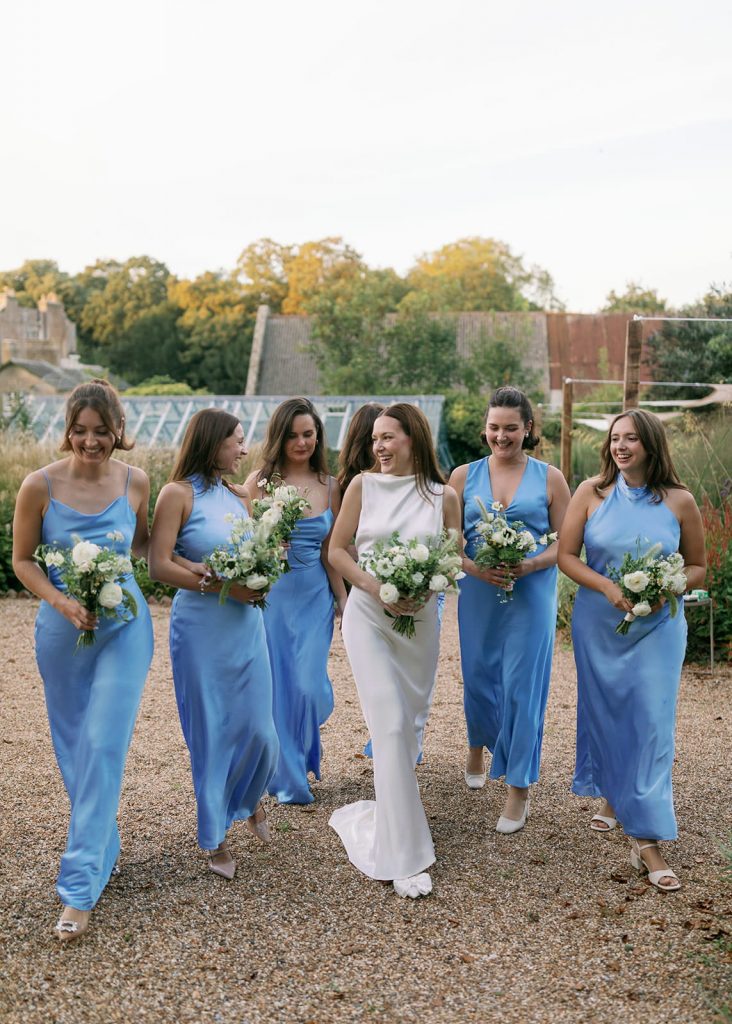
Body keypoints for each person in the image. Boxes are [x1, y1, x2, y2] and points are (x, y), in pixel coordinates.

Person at [12, 379, 154, 941]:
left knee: (102, 742)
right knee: (74, 747)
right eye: (79, 430)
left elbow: (143, 546)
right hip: (61, 630)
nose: (89, 441)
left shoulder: (137, 481)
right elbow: (23, 561)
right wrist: (62, 601)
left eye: (101, 431)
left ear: (118, 431)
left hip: (124, 627)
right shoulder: (38, 485)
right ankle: (102, 842)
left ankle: (78, 888)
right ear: (67, 428)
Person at [558, 409, 705, 891]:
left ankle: (645, 839)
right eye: (616, 439)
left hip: (659, 627)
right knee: (608, 715)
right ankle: (616, 796)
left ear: (651, 445)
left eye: (632, 440)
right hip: (600, 624)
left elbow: (699, 567)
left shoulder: (679, 501)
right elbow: (565, 556)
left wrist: (668, 588)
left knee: (650, 721)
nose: (621, 447)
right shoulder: (590, 493)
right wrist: (606, 587)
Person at [328, 403, 461, 899]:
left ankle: (390, 812)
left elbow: (451, 558)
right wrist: (374, 585)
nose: (379, 446)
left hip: (420, 624)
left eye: (389, 438)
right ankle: (402, 856)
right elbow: (337, 550)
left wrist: (425, 591)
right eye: (376, 439)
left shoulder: (443, 496)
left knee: (407, 729)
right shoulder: (361, 486)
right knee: (386, 724)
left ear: (413, 439)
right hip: (368, 617)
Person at [148, 409, 279, 880]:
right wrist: (219, 586)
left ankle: (248, 799)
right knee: (211, 732)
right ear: (212, 442)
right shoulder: (176, 494)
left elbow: (253, 555)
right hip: (200, 628)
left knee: (261, 731)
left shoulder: (237, 496)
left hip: (246, 624)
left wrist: (265, 570)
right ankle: (214, 836)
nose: (244, 451)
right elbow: (158, 566)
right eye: (237, 441)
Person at [449, 386, 570, 833]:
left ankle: (519, 788)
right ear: (485, 428)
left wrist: (532, 563)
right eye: (495, 428)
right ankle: (478, 742)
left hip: (532, 592)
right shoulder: (462, 476)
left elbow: (568, 545)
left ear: (528, 429)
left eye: (511, 428)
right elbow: (446, 543)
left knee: (523, 687)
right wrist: (473, 569)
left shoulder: (550, 478)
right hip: (479, 593)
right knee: (480, 676)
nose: (502, 436)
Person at [244, 398, 346, 804]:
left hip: (314, 597)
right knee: (278, 687)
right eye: (292, 435)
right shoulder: (258, 482)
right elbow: (244, 543)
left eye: (308, 434)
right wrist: (268, 543)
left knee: (307, 686)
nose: (301, 442)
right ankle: (286, 774)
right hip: (273, 598)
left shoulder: (330, 485)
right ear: (279, 438)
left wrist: (343, 600)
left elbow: (331, 550)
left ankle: (296, 757)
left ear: (318, 436)